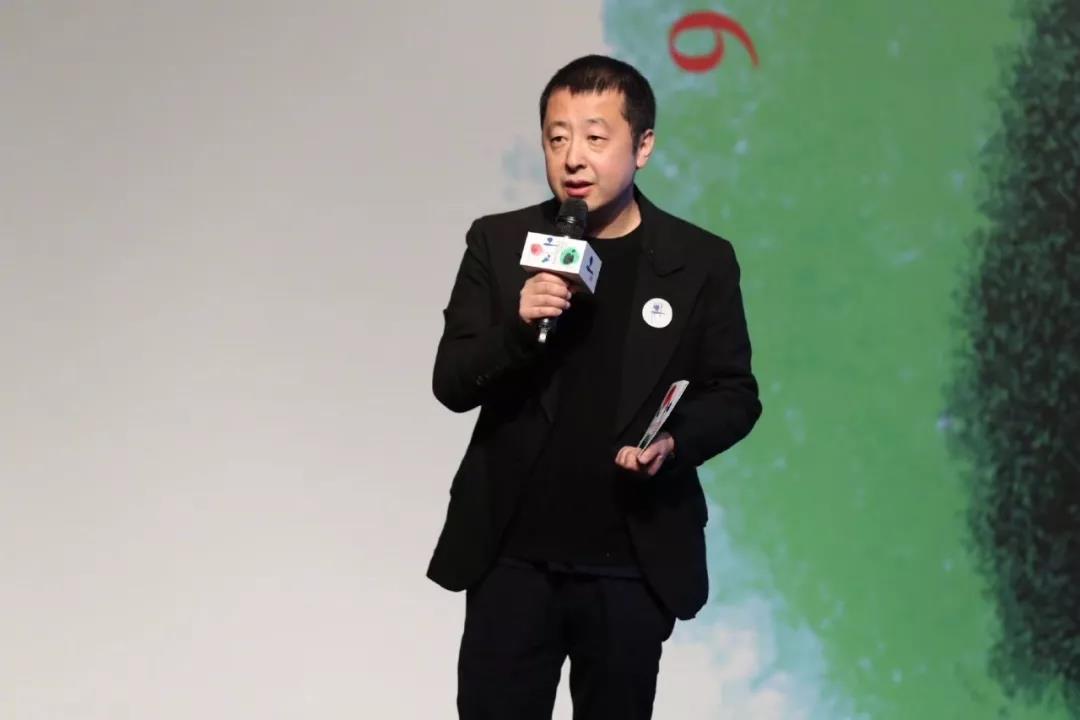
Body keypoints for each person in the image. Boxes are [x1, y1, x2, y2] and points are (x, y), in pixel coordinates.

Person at [426, 54, 762, 719]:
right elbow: (453, 381)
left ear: (643, 146)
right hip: (510, 558)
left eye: (595, 137)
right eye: (557, 138)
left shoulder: (700, 260)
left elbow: (733, 393)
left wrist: (672, 443)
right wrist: (518, 326)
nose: (573, 157)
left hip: (629, 563)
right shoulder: (500, 243)